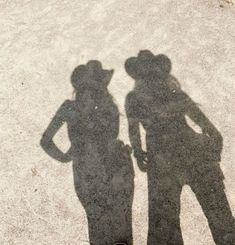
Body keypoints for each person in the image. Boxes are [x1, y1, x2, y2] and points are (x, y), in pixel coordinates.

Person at [125, 50, 235, 244]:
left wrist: (139, 155)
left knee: (165, 227)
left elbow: (134, 132)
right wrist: (213, 152)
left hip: (162, 160)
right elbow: (213, 131)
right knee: (220, 217)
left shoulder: (134, 99)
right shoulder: (173, 93)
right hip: (193, 153)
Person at [41, 60, 134, 245]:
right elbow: (111, 137)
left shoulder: (70, 107)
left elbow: (46, 141)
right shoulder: (108, 107)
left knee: (100, 228)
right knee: (120, 231)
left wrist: (68, 154)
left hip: (89, 172)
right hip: (114, 168)